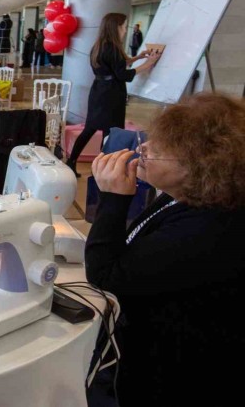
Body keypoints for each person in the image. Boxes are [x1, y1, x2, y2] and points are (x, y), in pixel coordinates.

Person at [85, 93, 245, 407]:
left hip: (182, 371)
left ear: (199, 168)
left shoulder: (207, 230)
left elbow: (107, 276)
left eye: (157, 150)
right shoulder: (187, 197)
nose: (142, 149)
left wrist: (113, 198)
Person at [65, 13, 159, 176]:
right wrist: (148, 63)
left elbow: (116, 65)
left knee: (90, 129)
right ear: (115, 27)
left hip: (99, 91)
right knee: (111, 131)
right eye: (123, 26)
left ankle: (72, 161)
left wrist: (138, 57)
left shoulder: (100, 45)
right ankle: (102, 168)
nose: (124, 30)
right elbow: (122, 74)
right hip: (111, 94)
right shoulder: (113, 47)